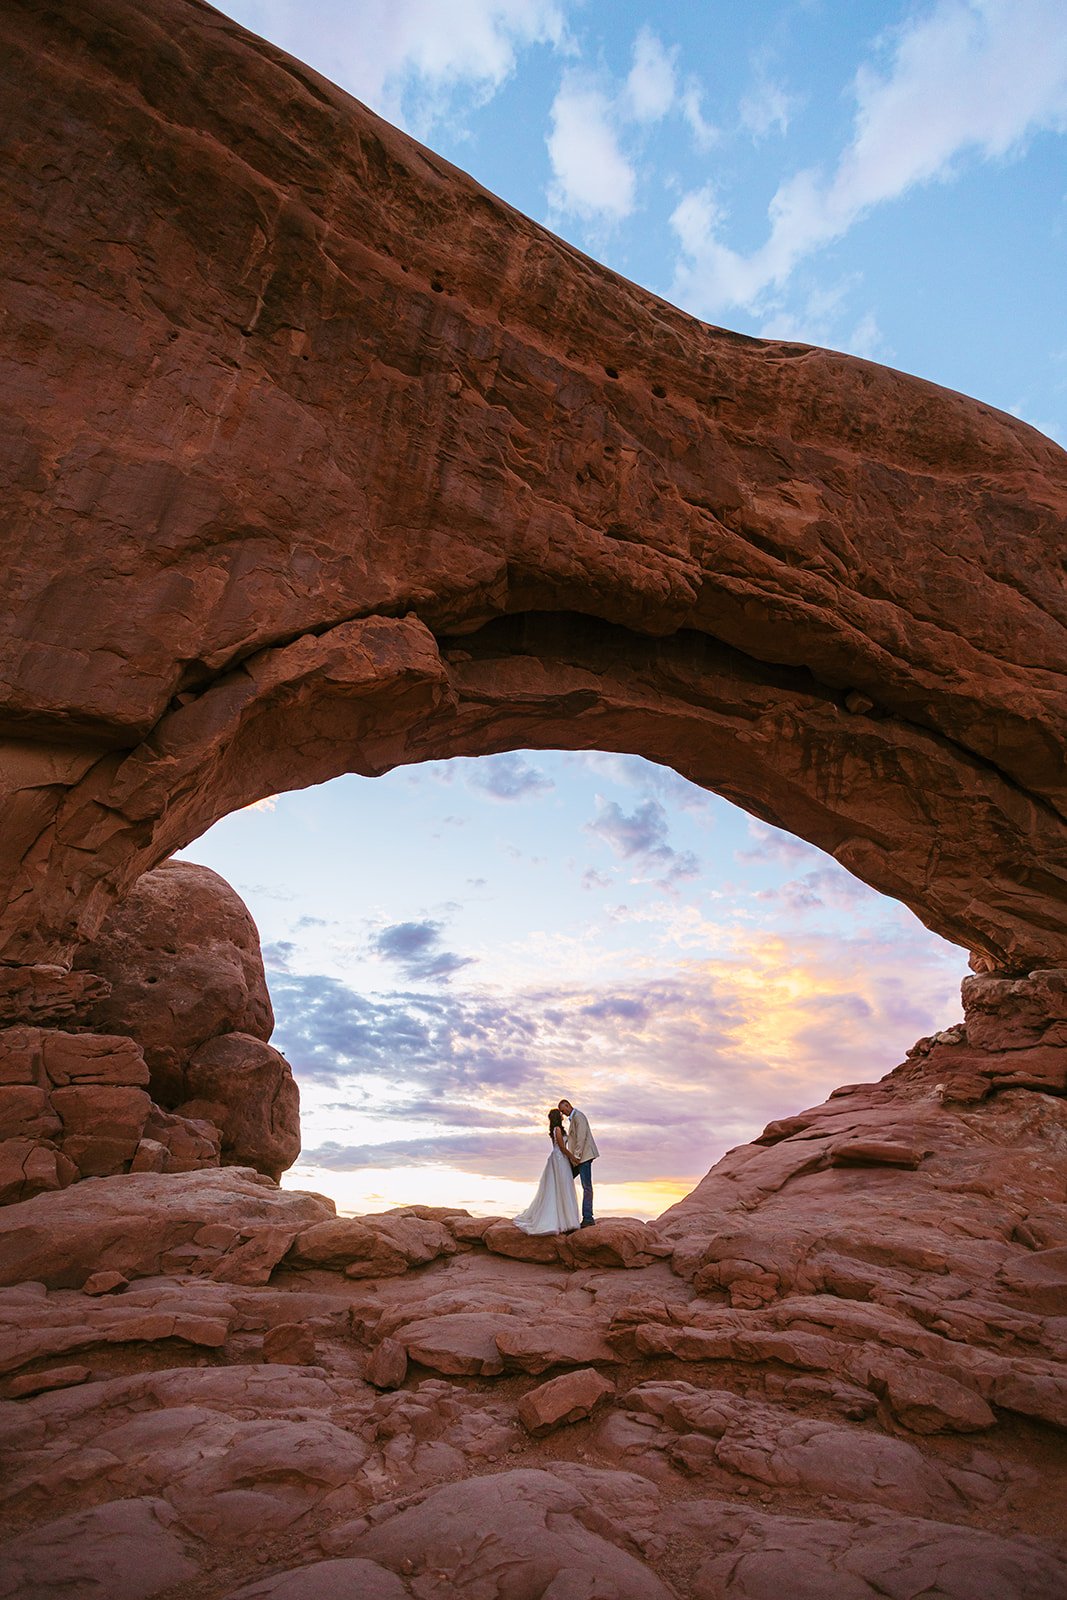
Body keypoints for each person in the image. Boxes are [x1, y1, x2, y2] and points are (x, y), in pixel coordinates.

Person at [512, 1108, 581, 1235]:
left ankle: (565, 1219)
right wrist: (573, 1158)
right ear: (557, 1117)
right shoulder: (557, 1129)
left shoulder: (556, 1129)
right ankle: (563, 1220)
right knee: (562, 1186)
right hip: (560, 1159)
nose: (562, 1115)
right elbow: (562, 1147)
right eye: (560, 1114)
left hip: (559, 1159)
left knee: (562, 1187)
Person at [559, 1098, 598, 1227]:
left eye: (563, 1110)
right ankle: (565, 1214)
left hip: (583, 1157)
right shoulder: (574, 1118)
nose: (563, 1113)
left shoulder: (578, 1116)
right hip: (579, 1158)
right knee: (566, 1179)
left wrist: (576, 1156)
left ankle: (588, 1218)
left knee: (586, 1186)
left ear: (568, 1105)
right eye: (561, 1112)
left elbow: (581, 1137)